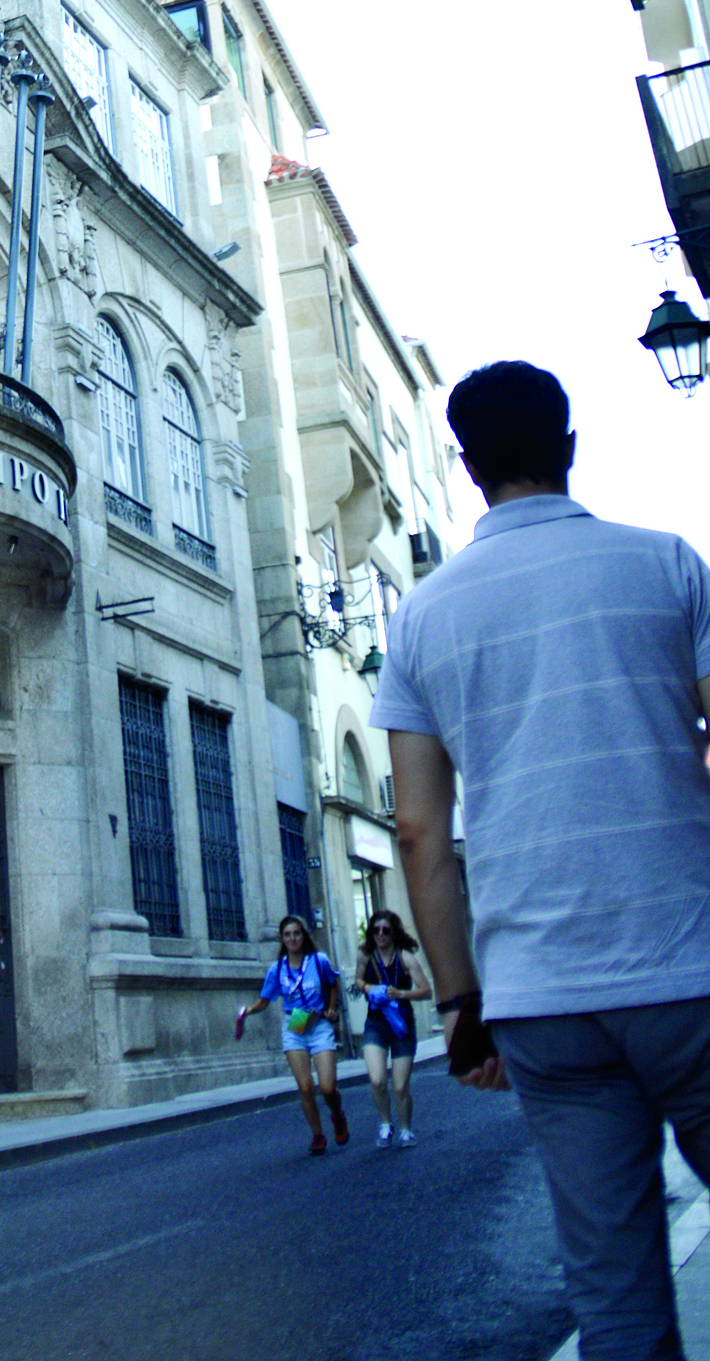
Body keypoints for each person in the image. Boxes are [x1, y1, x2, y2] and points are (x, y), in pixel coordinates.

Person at [371, 360, 710, 1360]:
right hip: (690, 966)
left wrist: (458, 1004)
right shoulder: (666, 565)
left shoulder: (423, 617)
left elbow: (421, 835)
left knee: (615, 1298)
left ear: (468, 468)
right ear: (568, 446)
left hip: (543, 1002)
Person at [237, 914, 349, 1154]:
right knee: (306, 1087)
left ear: (304, 935)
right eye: (287, 935)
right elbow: (264, 1001)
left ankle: (337, 1113)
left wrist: (331, 1007)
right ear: (282, 939)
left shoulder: (318, 961)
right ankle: (318, 1135)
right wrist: (248, 1011)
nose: (293, 938)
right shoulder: (277, 969)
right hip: (295, 1026)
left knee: (328, 1087)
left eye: (297, 933)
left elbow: (333, 983)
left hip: (318, 1025)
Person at [351, 909, 431, 1147]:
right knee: (376, 1080)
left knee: (400, 1086)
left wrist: (401, 993)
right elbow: (357, 980)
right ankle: (386, 1123)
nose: (381, 934)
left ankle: (406, 1129)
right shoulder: (365, 956)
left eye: (386, 930)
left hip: (402, 1025)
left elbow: (426, 991)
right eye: (376, 930)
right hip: (375, 1023)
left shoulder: (405, 958)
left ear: (394, 932)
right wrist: (367, 989)